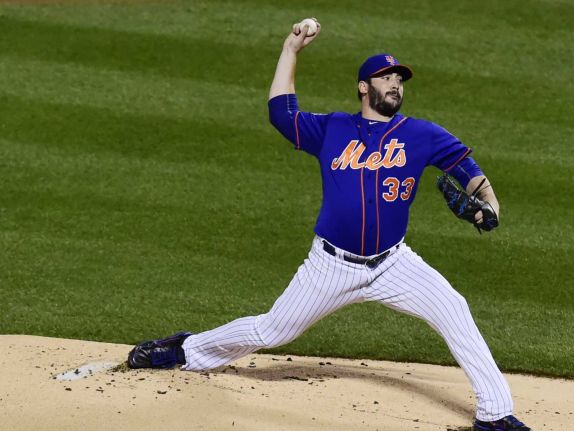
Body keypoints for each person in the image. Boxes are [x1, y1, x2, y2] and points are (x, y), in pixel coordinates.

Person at [127, 19, 531, 431]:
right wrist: (290, 50)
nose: (395, 84)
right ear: (363, 87)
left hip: (394, 263)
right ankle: (186, 349)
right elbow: (281, 113)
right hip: (332, 265)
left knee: (453, 308)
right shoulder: (332, 128)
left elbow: (470, 172)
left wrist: (491, 207)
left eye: (399, 79)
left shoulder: (422, 134)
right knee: (272, 330)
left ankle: (494, 414)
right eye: (386, 77)